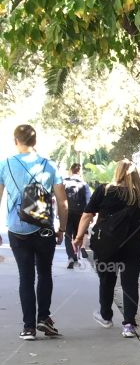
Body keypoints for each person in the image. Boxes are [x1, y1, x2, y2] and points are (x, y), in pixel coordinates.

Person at [0, 124, 68, 340]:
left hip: (17, 228)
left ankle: (28, 327)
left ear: (15, 141)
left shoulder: (5, 165)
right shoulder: (50, 165)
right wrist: (62, 229)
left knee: (26, 277)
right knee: (45, 273)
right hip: (44, 228)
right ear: (35, 141)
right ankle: (43, 318)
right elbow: (62, 202)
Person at [74, 159, 140, 338]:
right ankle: (129, 325)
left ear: (117, 172)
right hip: (133, 248)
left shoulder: (104, 190)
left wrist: (79, 237)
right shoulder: (139, 196)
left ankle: (106, 316)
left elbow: (87, 215)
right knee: (130, 284)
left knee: (107, 280)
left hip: (106, 246)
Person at [62, 163, 90, 268]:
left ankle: (70, 257)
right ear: (79, 172)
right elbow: (89, 201)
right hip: (80, 214)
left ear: (71, 170)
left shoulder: (64, 182)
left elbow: (60, 200)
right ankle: (77, 256)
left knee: (68, 235)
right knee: (78, 235)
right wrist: (89, 216)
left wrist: (58, 214)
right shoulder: (84, 184)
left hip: (67, 213)